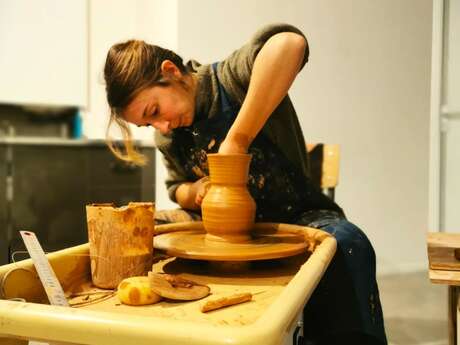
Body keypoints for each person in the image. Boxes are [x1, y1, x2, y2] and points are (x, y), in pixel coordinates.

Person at [103, 23, 387, 345]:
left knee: (347, 242)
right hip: (221, 230)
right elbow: (176, 188)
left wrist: (238, 140)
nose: (161, 125)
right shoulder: (168, 136)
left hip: (296, 215)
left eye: (155, 111)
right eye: (148, 123)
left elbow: (290, 43)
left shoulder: (228, 79)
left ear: (170, 72)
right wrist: (194, 192)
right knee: (140, 232)